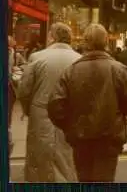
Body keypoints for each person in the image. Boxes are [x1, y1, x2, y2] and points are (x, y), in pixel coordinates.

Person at [48, 24, 127, 182]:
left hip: (81, 139)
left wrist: (70, 127)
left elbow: (55, 106)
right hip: (108, 139)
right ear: (106, 42)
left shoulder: (71, 71)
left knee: (84, 179)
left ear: (85, 43)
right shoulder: (118, 70)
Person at [16, 23, 81, 182]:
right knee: (66, 156)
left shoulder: (37, 57)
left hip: (41, 113)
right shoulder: (80, 60)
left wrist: (28, 110)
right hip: (68, 116)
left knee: (39, 156)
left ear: (52, 37)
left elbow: (24, 90)